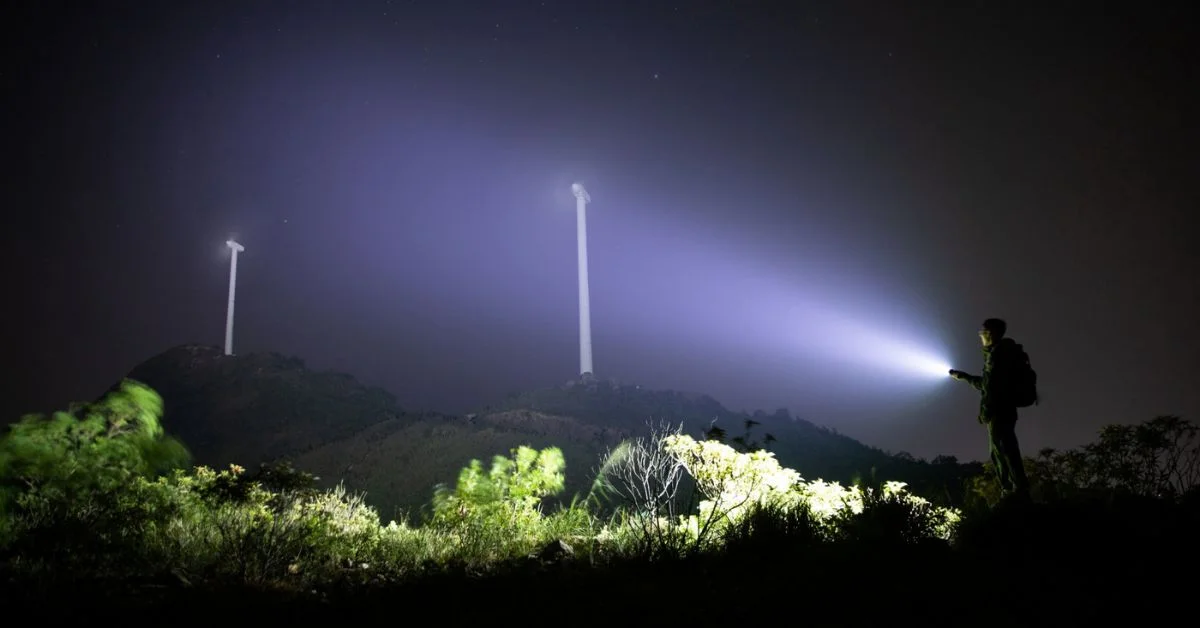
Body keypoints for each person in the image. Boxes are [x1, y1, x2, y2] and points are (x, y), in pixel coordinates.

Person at [949, 318, 1031, 503]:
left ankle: (1014, 490)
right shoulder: (1001, 354)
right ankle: (1015, 489)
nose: (980, 336)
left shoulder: (997, 356)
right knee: (1004, 449)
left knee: (1002, 450)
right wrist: (965, 377)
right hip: (1005, 410)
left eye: (982, 332)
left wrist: (985, 412)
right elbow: (987, 384)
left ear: (990, 334)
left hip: (999, 411)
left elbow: (992, 389)